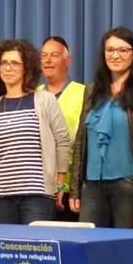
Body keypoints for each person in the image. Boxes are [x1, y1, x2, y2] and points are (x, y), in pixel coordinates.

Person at [70, 27, 133, 228]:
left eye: (122, 50)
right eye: (110, 50)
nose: (115, 55)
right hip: (92, 186)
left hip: (128, 185)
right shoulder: (91, 91)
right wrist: (75, 188)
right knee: (89, 249)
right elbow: (81, 140)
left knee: (124, 250)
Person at [0, 39, 70, 225]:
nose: (8, 68)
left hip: (37, 195)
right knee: (8, 250)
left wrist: (60, 182)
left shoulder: (44, 99)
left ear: (26, 68)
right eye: (4, 63)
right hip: (3, 194)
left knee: (35, 249)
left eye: (15, 63)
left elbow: (62, 140)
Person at [38, 36, 86, 220]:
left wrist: (65, 187)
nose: (48, 60)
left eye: (54, 55)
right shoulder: (32, 94)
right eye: (44, 56)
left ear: (68, 60)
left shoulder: (83, 93)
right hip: (38, 187)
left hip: (70, 189)